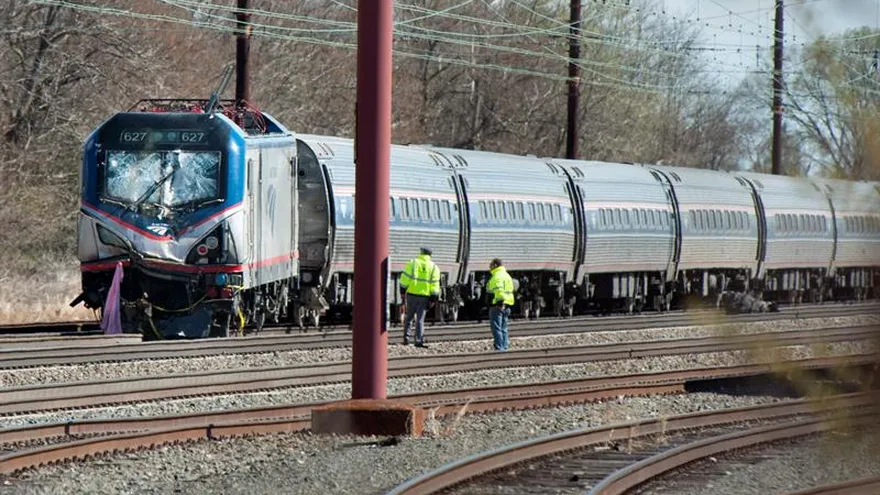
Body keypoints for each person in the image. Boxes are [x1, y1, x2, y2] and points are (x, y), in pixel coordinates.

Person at [399, 247, 440, 347]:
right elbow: (434, 285)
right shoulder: (434, 267)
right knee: (420, 319)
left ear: (421, 253)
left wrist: (403, 291)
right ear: (430, 255)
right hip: (424, 297)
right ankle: (418, 341)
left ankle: (406, 339)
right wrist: (433, 299)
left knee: (409, 317)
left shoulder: (412, 263)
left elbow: (405, 279)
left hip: (412, 295)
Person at [486, 258, 515, 351]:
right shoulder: (507, 275)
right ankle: (505, 346)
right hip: (507, 305)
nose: (489, 267)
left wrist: (500, 303)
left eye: (490, 265)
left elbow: (499, 290)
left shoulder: (496, 276)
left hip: (498, 306)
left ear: (495, 265)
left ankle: (499, 347)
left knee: (497, 327)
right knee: (503, 327)